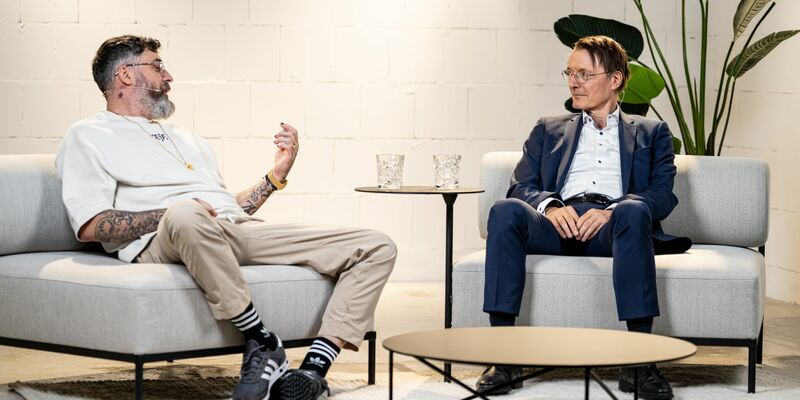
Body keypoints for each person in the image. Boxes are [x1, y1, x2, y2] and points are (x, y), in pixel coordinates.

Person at [55, 35, 397, 400]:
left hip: (225, 231)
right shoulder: (88, 134)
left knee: (375, 245)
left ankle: (313, 371)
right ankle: (262, 341)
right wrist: (171, 213)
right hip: (161, 241)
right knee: (186, 213)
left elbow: (227, 209)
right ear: (124, 75)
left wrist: (276, 176)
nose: (168, 76)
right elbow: (91, 226)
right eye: (157, 65)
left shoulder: (186, 138)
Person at [477, 35, 691, 400]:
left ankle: (638, 362)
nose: (573, 82)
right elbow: (520, 185)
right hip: (557, 223)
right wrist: (552, 206)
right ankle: (504, 356)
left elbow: (662, 194)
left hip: (616, 225)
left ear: (616, 79)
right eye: (570, 73)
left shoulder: (652, 132)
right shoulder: (548, 128)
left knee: (634, 209)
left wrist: (611, 211)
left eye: (585, 74)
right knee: (505, 210)